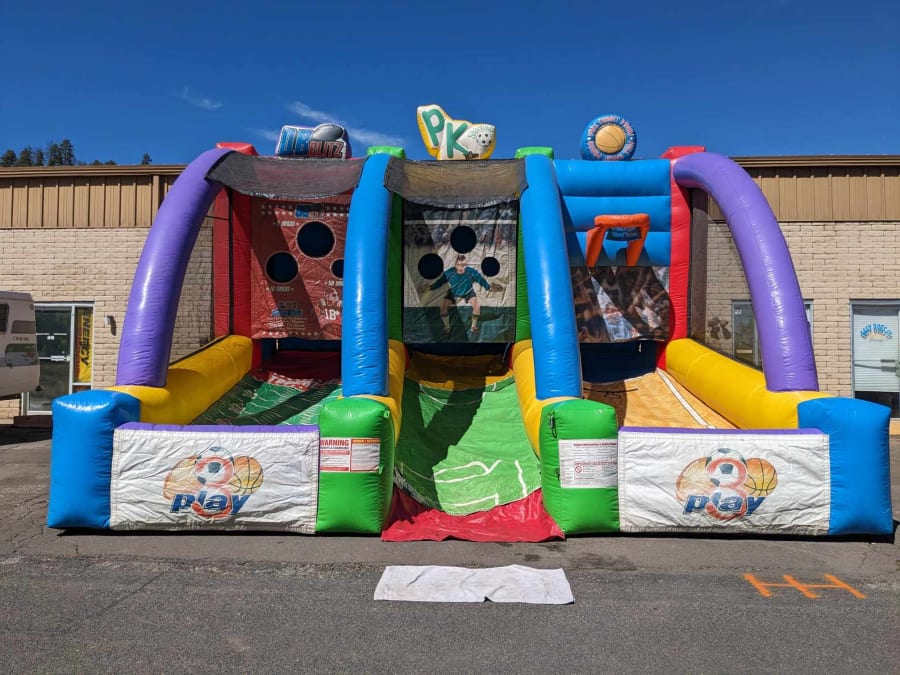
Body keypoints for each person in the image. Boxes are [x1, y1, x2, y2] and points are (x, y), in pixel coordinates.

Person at [422, 254, 502, 333]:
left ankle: (473, 326)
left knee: (477, 306)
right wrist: (430, 288)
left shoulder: (471, 272)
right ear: (455, 265)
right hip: (454, 292)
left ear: (466, 265)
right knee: (443, 308)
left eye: (463, 265)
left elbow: (480, 279)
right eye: (459, 265)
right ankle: (447, 327)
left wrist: (488, 287)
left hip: (468, 292)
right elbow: (440, 282)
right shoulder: (449, 272)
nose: (461, 267)